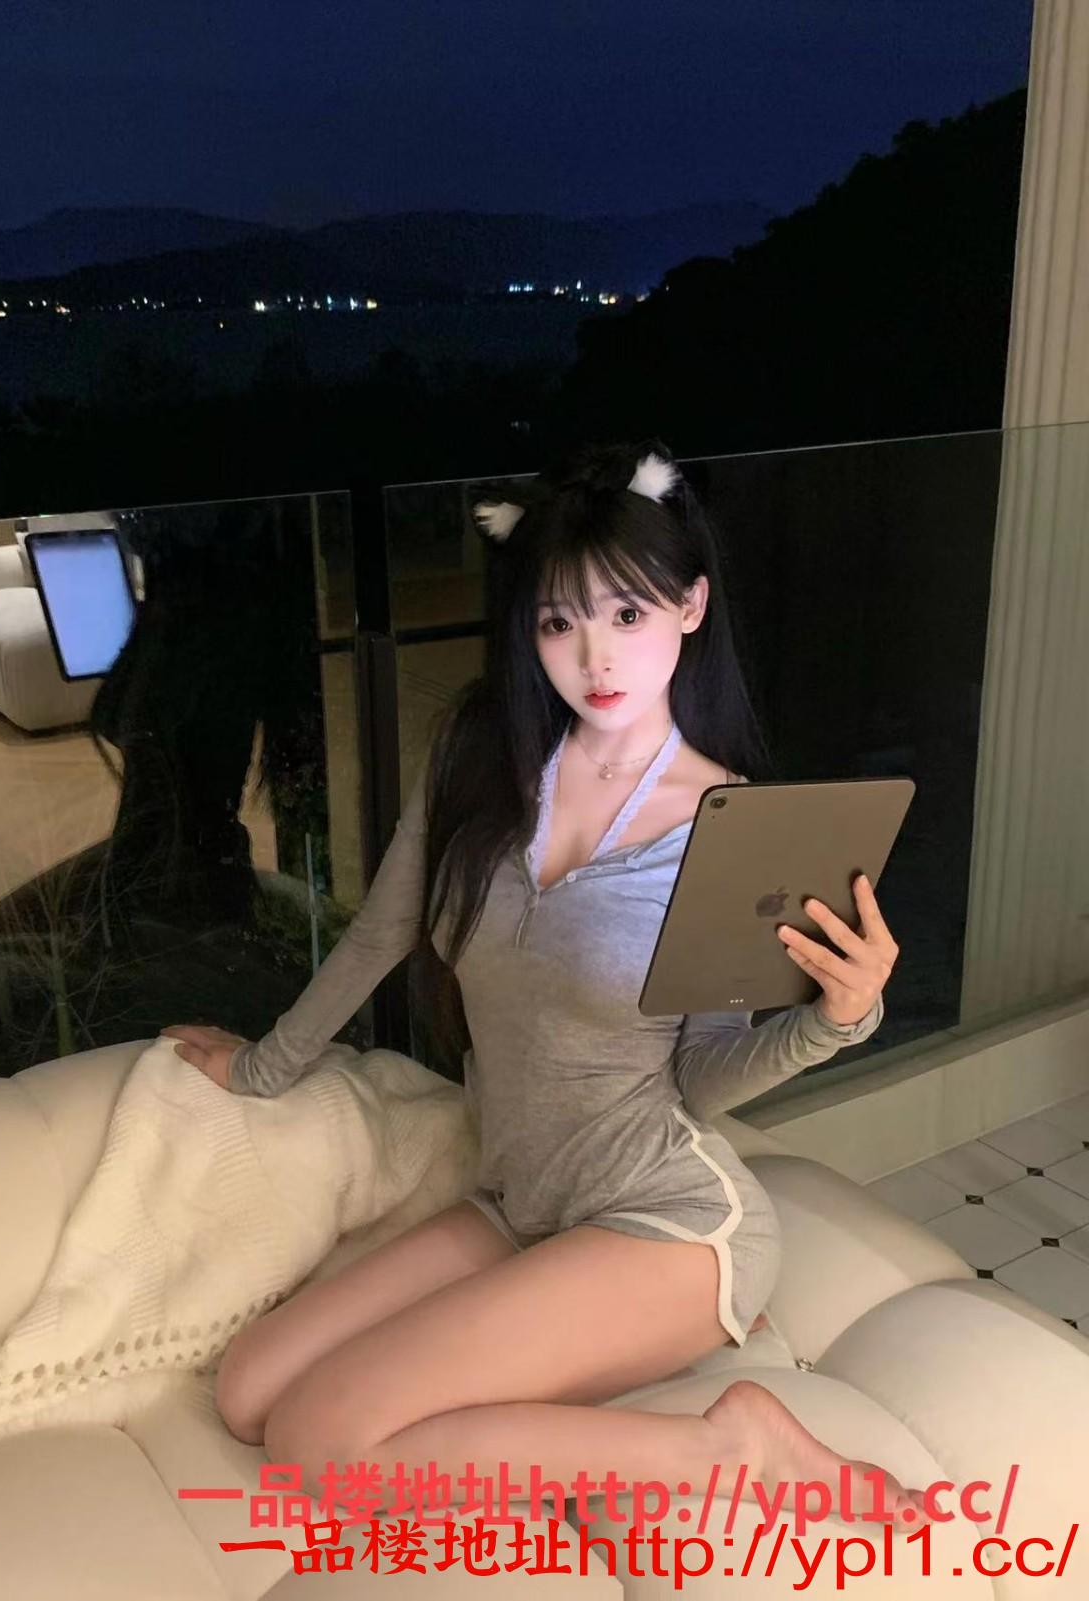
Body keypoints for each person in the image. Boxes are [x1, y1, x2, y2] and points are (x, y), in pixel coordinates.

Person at [162, 439, 928, 1528]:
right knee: (248, 1390)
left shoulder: (727, 821)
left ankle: (733, 1444)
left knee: (318, 1442)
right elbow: (381, 933)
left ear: (691, 606)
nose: (594, 656)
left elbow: (698, 1080)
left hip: (666, 1219)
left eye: (628, 613)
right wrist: (260, 1068)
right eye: (559, 621)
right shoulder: (481, 751)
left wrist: (837, 1021)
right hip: (523, 1201)